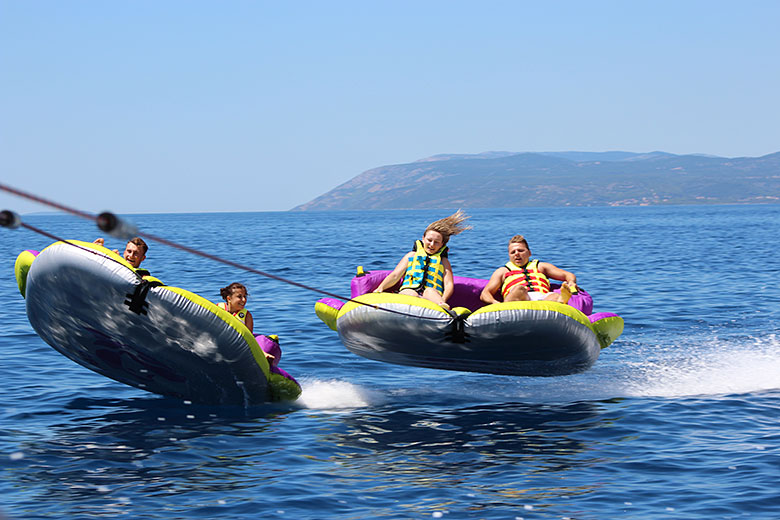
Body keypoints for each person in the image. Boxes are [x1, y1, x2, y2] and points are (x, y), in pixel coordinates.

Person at [373, 210, 472, 309]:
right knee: (409, 292)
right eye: (429, 240)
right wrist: (380, 288)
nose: (432, 244)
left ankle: (441, 306)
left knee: (430, 291)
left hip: (430, 296)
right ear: (423, 238)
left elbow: (448, 284)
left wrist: (444, 299)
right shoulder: (411, 256)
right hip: (410, 291)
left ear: (442, 244)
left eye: (436, 242)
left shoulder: (443, 261)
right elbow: (395, 275)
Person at [480, 234, 577, 305]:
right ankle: (509, 308)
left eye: (521, 250)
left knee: (554, 296)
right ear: (509, 256)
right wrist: (495, 303)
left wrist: (571, 282)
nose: (517, 254)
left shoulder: (541, 266)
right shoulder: (502, 271)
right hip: (519, 299)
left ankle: (560, 301)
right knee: (519, 289)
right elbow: (485, 293)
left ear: (529, 253)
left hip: (542, 297)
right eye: (513, 252)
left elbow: (568, 275)